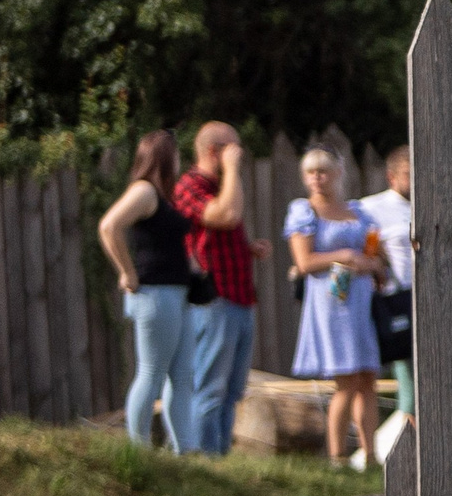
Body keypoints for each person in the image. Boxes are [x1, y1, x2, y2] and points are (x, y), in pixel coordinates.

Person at [95, 130, 207, 449]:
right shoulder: (144, 191)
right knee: (151, 373)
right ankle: (138, 448)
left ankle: (185, 450)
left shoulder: (163, 196)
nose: (179, 160)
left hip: (178, 294)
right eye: (176, 154)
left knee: (182, 376)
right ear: (165, 157)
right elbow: (109, 226)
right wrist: (127, 272)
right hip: (156, 295)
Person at [284, 146, 387, 468]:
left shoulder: (358, 212)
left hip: (362, 302)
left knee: (367, 378)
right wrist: (343, 255)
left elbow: (376, 255)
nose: (317, 178)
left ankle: (370, 455)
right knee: (346, 381)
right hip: (331, 304)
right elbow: (304, 262)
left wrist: (373, 265)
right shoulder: (304, 212)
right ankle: (337, 456)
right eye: (310, 172)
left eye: (323, 171)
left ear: (338, 173)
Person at [175, 123, 261, 454]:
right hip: (215, 300)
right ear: (214, 151)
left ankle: (221, 457)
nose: (239, 154)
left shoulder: (220, 185)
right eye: (233, 148)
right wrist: (233, 169)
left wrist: (248, 248)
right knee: (210, 389)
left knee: (232, 391)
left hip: (239, 297)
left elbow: (216, 234)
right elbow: (226, 215)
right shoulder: (190, 185)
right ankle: (204, 459)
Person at [356, 146, 415, 418]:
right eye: (408, 174)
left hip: (435, 298)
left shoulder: (434, 202)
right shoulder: (372, 208)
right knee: (408, 378)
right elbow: (364, 247)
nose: (415, 180)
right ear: (391, 177)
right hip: (398, 301)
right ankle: (405, 430)